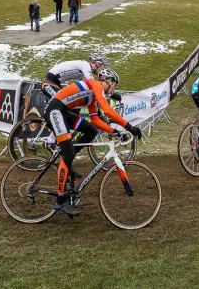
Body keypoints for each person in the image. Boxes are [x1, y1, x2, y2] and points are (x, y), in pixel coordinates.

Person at [44, 67, 141, 215]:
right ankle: (60, 201)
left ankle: (67, 159)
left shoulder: (92, 96)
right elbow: (107, 110)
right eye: (114, 85)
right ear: (108, 81)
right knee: (68, 152)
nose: (114, 89)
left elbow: (95, 119)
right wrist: (129, 126)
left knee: (91, 130)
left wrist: (115, 132)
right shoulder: (95, 85)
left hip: (63, 112)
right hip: (55, 111)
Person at [41, 54, 109, 99]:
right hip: (49, 83)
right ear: (98, 64)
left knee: (69, 102)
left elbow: (80, 87)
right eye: (102, 66)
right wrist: (105, 89)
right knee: (61, 101)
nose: (101, 69)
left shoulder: (83, 71)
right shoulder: (85, 65)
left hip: (55, 83)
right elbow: (93, 82)